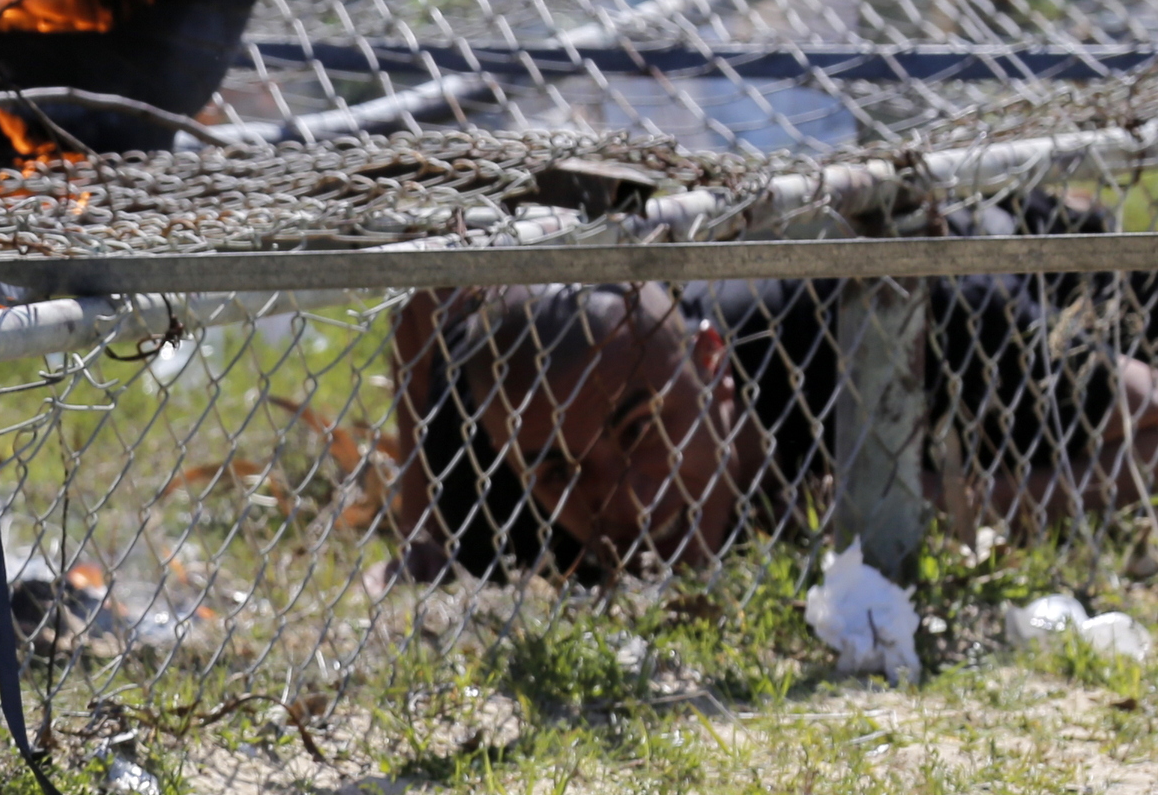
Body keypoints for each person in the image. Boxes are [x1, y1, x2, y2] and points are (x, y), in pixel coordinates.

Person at [388, 235, 1158, 580]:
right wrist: (421, 525)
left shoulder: (876, 322)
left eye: (642, 428)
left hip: (1054, 264)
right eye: (559, 471)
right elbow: (422, 307)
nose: (627, 502)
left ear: (712, 367)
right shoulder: (508, 495)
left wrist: (919, 502)